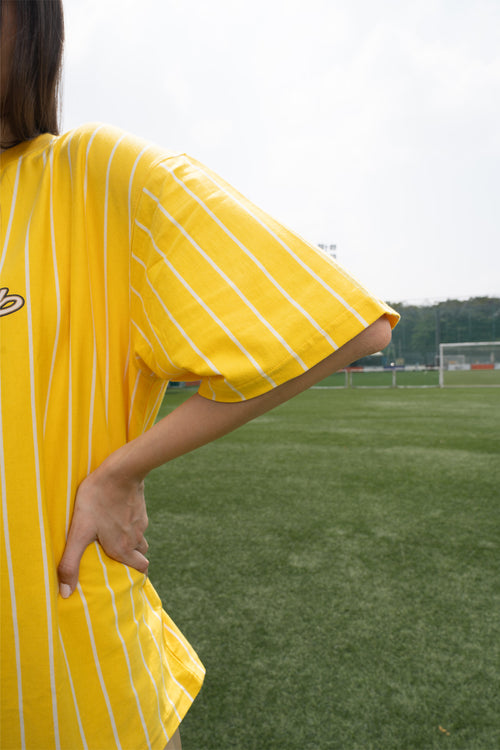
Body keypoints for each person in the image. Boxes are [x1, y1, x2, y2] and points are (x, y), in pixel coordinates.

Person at [0, 1, 398, 748]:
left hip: (71, 680)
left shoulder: (90, 176)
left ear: (31, 26)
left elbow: (345, 325)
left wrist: (117, 473)